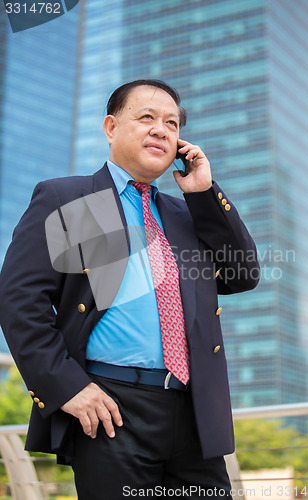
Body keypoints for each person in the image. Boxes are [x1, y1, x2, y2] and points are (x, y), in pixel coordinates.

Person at [0, 79, 260, 499]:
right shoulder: (75, 199)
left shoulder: (184, 213)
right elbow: (19, 301)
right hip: (110, 409)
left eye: (172, 124)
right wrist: (67, 387)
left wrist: (204, 194)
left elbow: (241, 274)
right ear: (110, 126)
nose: (162, 130)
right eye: (147, 118)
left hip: (194, 412)